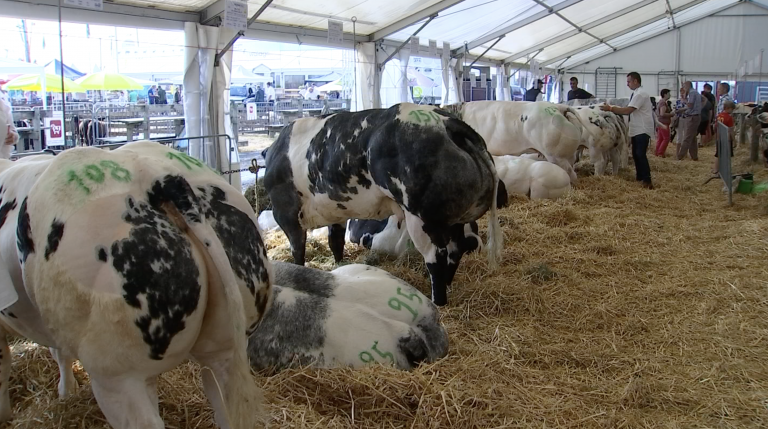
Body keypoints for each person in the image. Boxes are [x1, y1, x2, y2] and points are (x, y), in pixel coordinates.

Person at [600, 72, 655, 189]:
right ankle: (640, 177)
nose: (627, 84)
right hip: (637, 128)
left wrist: (610, 108)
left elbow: (628, 111)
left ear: (636, 81)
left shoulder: (640, 94)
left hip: (642, 128)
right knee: (636, 154)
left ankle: (647, 180)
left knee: (640, 154)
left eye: (629, 81)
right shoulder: (636, 93)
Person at [676, 81, 701, 161]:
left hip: (692, 117)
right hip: (695, 116)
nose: (684, 88)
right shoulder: (695, 92)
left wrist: (684, 100)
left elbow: (690, 105)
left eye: (684, 86)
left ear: (688, 86)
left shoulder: (692, 93)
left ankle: (680, 156)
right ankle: (694, 156)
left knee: (687, 137)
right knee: (692, 137)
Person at [712, 100, 736, 174]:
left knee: (718, 154)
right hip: (726, 139)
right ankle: (725, 170)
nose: (732, 111)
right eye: (732, 109)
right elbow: (731, 130)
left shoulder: (719, 116)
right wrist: (734, 140)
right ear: (728, 108)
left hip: (719, 138)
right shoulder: (729, 118)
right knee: (727, 154)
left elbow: (715, 127)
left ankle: (716, 169)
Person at [655, 89, 674, 157]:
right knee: (666, 138)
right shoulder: (663, 103)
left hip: (660, 122)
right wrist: (671, 114)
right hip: (663, 123)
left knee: (660, 138)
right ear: (665, 94)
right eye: (669, 94)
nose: (670, 95)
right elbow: (662, 114)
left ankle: (657, 152)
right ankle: (660, 153)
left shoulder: (661, 102)